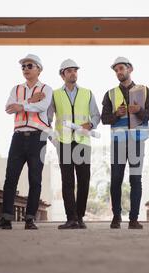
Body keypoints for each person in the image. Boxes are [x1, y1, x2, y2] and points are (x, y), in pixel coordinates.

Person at [0, 54, 53, 230]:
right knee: (10, 179)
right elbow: (9, 108)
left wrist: (22, 105)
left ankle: (30, 219)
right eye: (23, 66)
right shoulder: (16, 89)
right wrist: (29, 101)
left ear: (39, 69)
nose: (25, 69)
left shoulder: (47, 89)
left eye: (29, 65)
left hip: (37, 137)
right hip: (17, 137)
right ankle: (6, 219)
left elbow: (42, 106)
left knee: (35, 179)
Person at [101, 57, 149, 229]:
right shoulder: (110, 94)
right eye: (116, 70)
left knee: (135, 179)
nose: (119, 72)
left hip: (137, 141)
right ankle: (116, 217)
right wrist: (116, 114)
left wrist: (139, 110)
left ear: (130, 69)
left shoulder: (144, 91)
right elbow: (104, 119)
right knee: (116, 179)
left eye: (121, 68)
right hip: (118, 142)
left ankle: (133, 219)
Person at [48, 59, 100, 229]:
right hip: (63, 143)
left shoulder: (87, 93)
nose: (73, 73)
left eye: (75, 70)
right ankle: (71, 218)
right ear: (62, 75)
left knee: (84, 180)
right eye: (69, 71)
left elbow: (96, 115)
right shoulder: (55, 94)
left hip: (83, 141)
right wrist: (54, 139)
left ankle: (80, 217)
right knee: (67, 181)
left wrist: (90, 125)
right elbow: (47, 119)